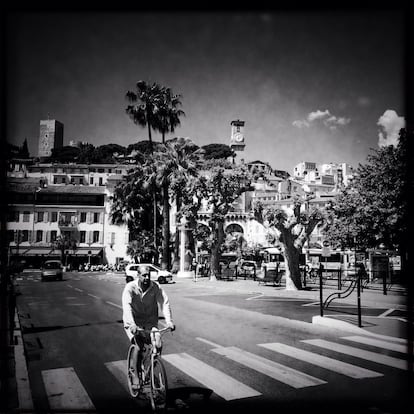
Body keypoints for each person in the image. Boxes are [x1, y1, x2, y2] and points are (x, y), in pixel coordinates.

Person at [122, 267, 175, 391]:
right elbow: (127, 307)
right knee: (138, 346)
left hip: (150, 322)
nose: (146, 278)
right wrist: (132, 324)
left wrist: (169, 322)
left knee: (158, 343)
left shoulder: (155, 287)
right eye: (144, 275)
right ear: (138, 275)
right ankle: (135, 374)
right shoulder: (130, 288)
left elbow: (164, 302)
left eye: (148, 275)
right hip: (134, 322)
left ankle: (150, 367)